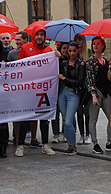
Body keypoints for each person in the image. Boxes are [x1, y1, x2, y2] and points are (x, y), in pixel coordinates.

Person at [14, 29, 55, 157]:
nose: (39, 37)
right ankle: (20, 145)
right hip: (28, 90)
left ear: (44, 36)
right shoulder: (25, 48)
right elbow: (19, 66)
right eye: (37, 34)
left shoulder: (49, 50)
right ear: (33, 36)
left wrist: (57, 56)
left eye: (41, 35)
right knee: (25, 118)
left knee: (44, 118)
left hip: (43, 90)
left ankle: (45, 145)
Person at [85, 36, 111, 155]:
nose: (96, 45)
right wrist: (93, 95)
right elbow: (89, 79)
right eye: (94, 44)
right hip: (96, 92)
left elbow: (108, 78)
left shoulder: (105, 60)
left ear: (103, 46)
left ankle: (109, 142)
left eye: (98, 43)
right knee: (93, 119)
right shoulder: (90, 61)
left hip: (106, 92)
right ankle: (95, 143)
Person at [58, 41, 86, 156]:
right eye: (70, 51)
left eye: (74, 51)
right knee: (66, 120)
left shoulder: (81, 64)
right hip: (62, 93)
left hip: (73, 94)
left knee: (69, 121)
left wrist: (64, 79)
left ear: (78, 51)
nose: (72, 53)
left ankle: (73, 146)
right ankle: (70, 145)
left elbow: (79, 82)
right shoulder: (64, 63)